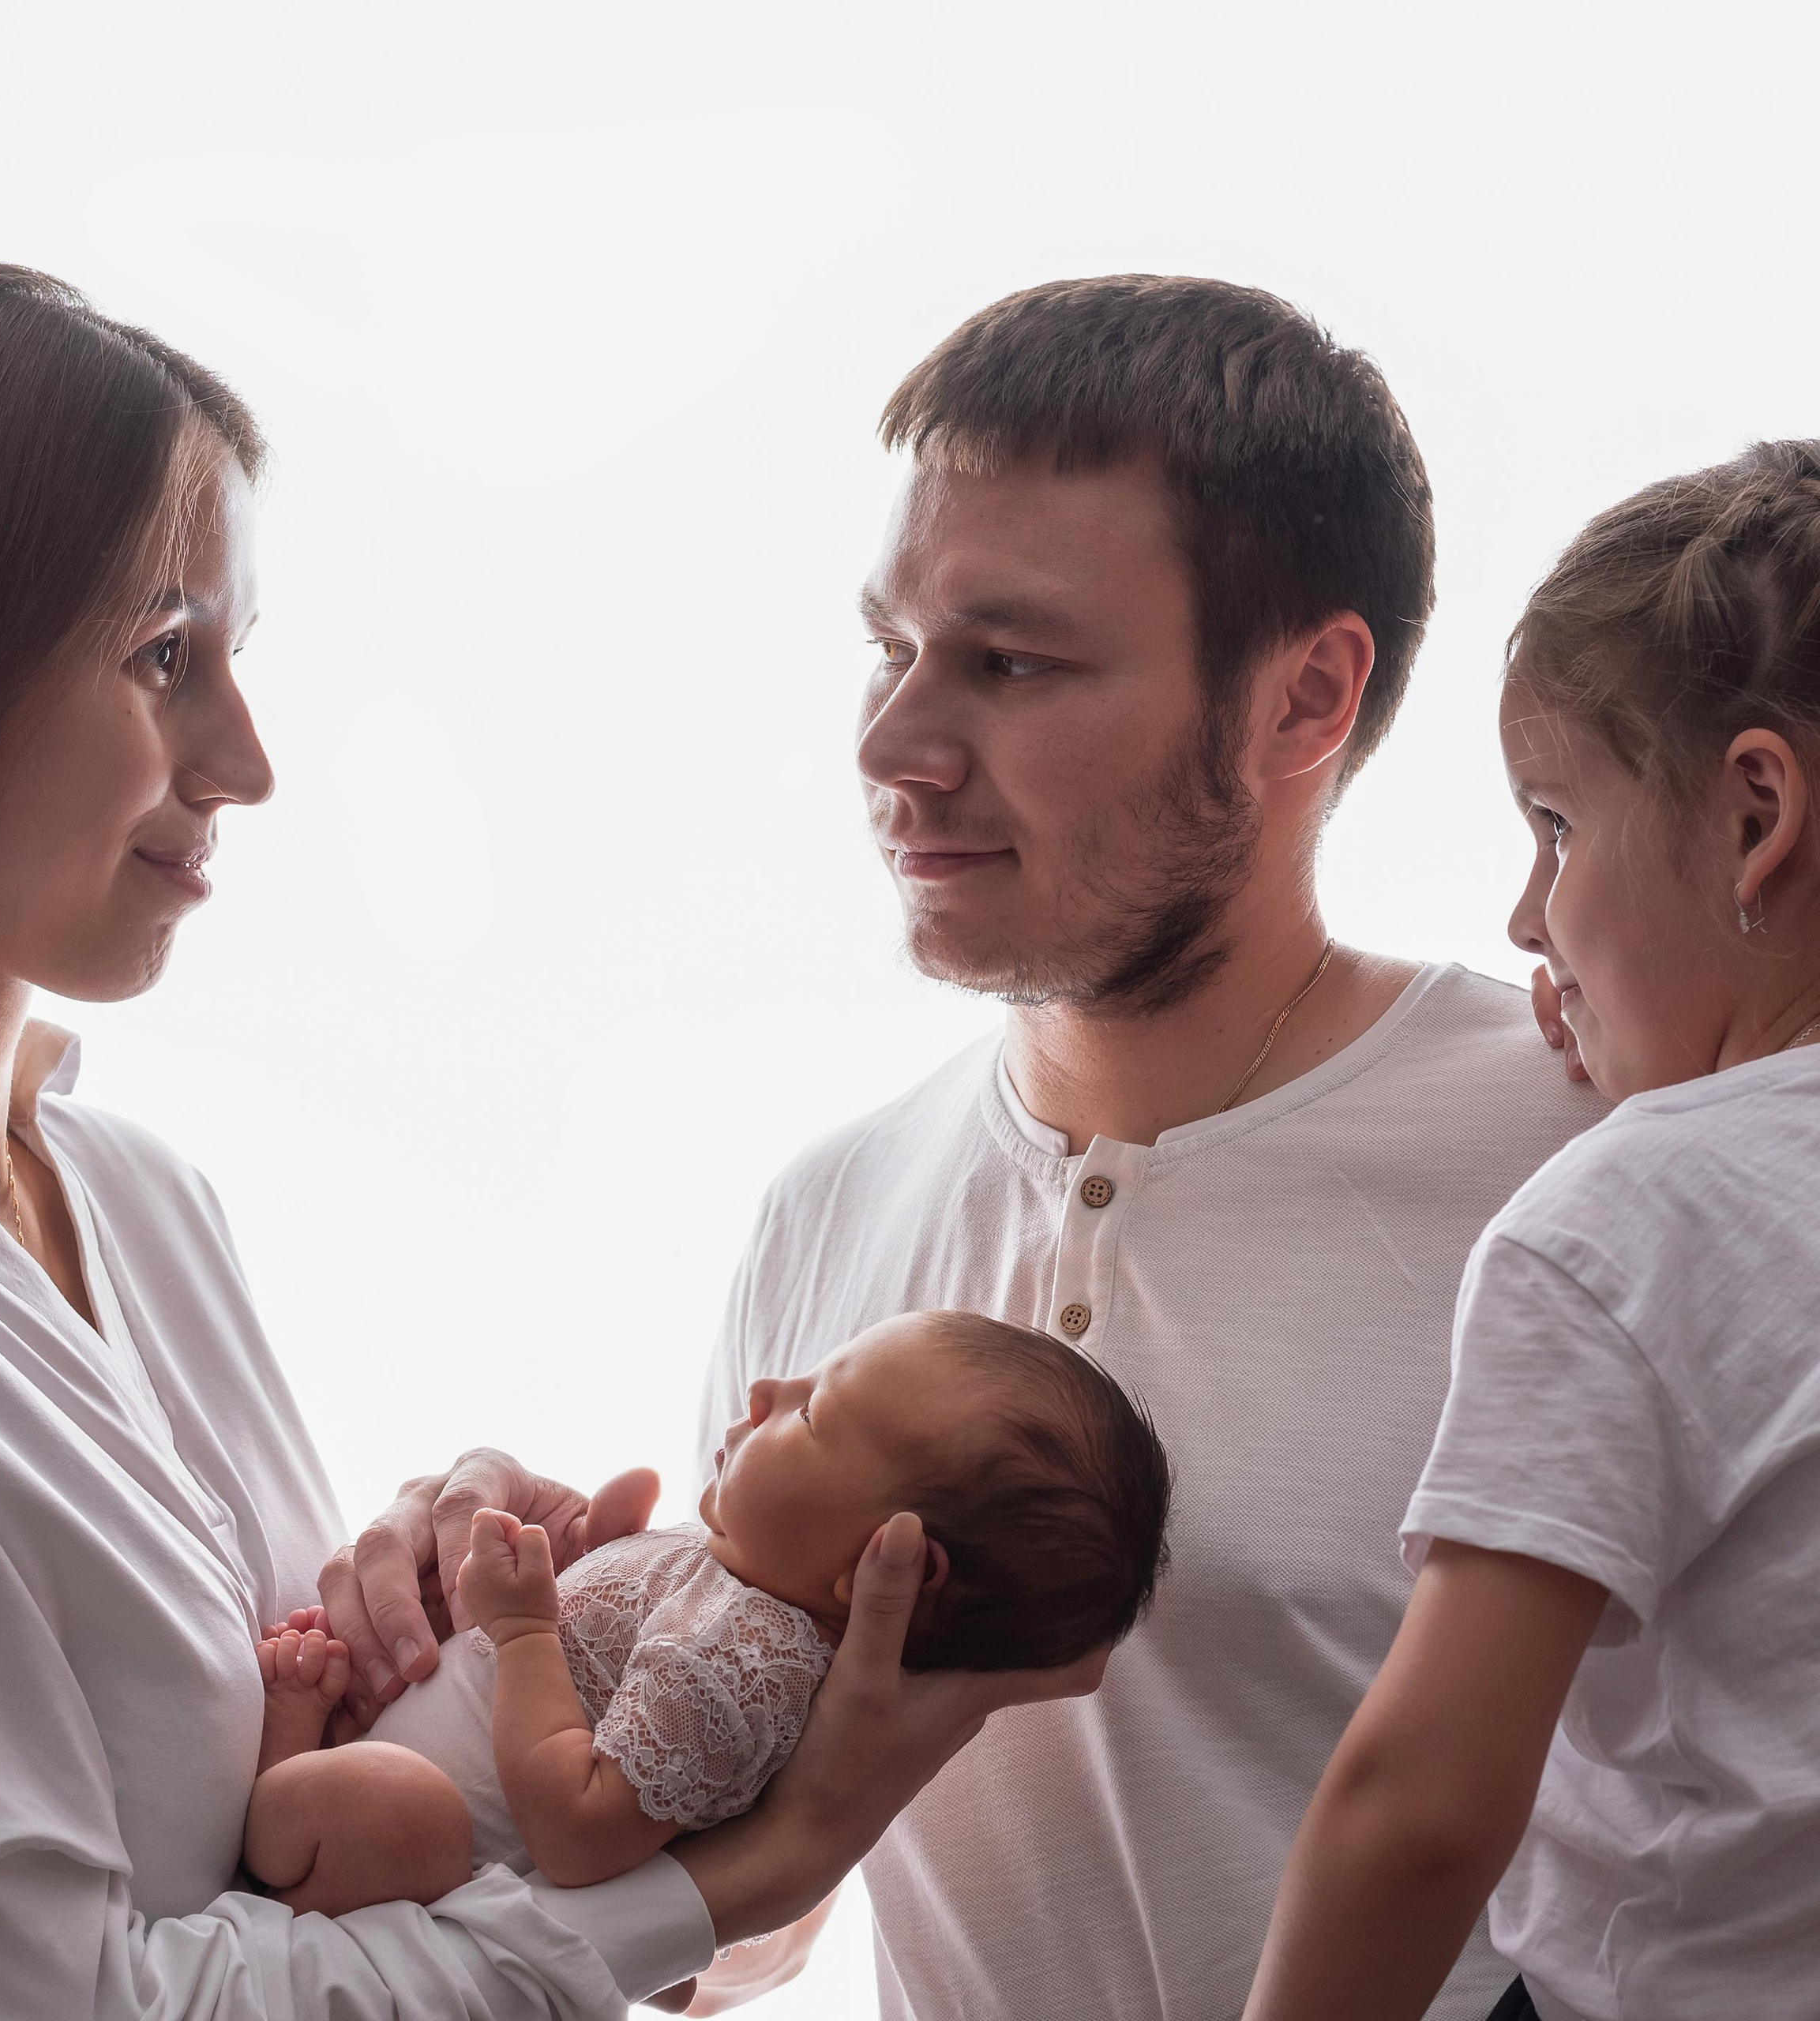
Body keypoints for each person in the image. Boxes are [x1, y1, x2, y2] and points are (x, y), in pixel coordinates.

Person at [0, 260, 1089, 2021]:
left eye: (233, 661)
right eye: (161, 656)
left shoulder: (139, 1202)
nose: (244, 759)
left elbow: (250, 1861)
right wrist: (732, 1875)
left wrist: (424, 1623)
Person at [670, 276, 1612, 2019]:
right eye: (890, 649)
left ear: (1299, 700)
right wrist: (487, 1677)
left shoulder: (1586, 1163)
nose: (893, 745)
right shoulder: (827, 1210)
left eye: (1008, 662)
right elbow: (742, 1931)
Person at [1244, 441, 1820, 2021]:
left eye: (1555, 825)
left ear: (1755, 811)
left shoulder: (1624, 1214)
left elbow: (1417, 1807)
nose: (1523, 918)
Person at [246, 1312, 1170, 1910]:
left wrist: (525, 1630)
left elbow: (577, 1831)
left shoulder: (742, 1655)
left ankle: (285, 1776)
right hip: (398, 1802)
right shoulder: (725, 1575)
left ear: (880, 1561)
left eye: (811, 1416)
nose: (768, 1391)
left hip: (390, 1870)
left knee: (397, 1804)